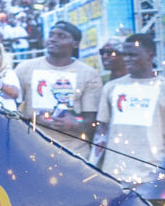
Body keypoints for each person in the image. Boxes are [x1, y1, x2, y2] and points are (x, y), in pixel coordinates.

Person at [96, 33, 165, 198]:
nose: (127, 59)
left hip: (151, 177)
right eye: (125, 55)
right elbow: (101, 130)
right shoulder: (111, 87)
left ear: (150, 55)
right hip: (114, 176)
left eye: (133, 54)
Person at [18, 19, 104, 161]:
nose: (53, 39)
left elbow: (92, 121)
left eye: (61, 36)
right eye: (51, 35)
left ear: (75, 44)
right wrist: (36, 120)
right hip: (32, 149)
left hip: (73, 154)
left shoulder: (88, 74)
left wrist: (74, 124)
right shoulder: (25, 68)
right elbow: (11, 110)